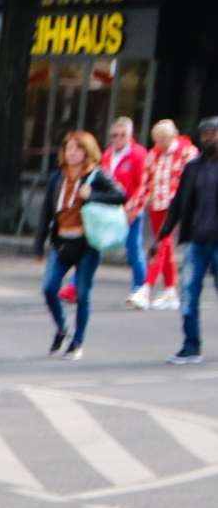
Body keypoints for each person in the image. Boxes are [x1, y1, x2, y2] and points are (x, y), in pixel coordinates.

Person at [35, 130, 125, 360]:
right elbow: (46, 212)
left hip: (87, 243)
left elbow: (121, 195)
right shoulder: (58, 178)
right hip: (62, 240)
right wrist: (39, 243)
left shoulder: (96, 175)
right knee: (49, 288)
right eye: (68, 148)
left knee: (83, 294)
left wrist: (92, 195)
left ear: (87, 152)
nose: (71, 153)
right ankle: (63, 328)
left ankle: (77, 342)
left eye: (76, 148)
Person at [163, 118, 218, 365]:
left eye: (213, 133)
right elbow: (178, 203)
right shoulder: (193, 167)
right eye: (205, 133)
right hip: (197, 241)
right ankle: (191, 346)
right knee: (188, 294)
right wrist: (163, 234)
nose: (208, 137)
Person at [144, 118, 199, 309]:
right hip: (157, 205)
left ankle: (147, 287)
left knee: (162, 242)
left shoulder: (187, 152)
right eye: (157, 140)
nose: (160, 144)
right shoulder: (153, 154)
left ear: (172, 136)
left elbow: (193, 180)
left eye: (163, 140)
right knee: (166, 251)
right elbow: (147, 180)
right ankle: (170, 291)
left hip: (175, 206)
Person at [104, 116, 152, 305]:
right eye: (114, 135)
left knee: (133, 249)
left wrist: (134, 209)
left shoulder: (139, 155)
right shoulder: (108, 155)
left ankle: (140, 287)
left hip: (130, 210)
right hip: (110, 209)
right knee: (94, 245)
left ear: (130, 135)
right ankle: (75, 286)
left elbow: (144, 185)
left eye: (122, 135)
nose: (117, 139)